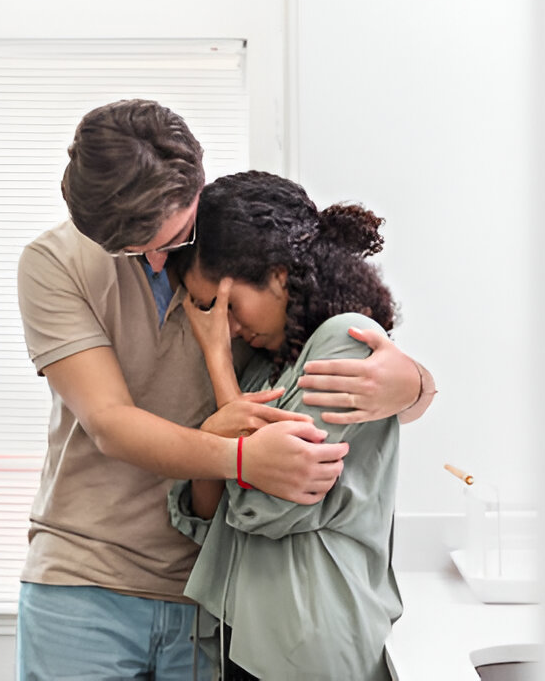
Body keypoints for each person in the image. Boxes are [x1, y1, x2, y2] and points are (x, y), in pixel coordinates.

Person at [15, 99, 434, 679]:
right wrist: (239, 456)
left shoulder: (236, 248)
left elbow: (339, 379)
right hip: (87, 580)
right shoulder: (54, 262)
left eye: (173, 238)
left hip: (208, 597)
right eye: (135, 251)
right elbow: (110, 422)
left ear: (197, 189)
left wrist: (414, 384)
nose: (159, 262)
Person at [168, 170, 422, 680]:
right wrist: (215, 441)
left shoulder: (345, 342)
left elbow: (266, 504)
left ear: (279, 275)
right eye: (211, 315)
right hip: (250, 636)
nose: (227, 328)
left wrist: (218, 366)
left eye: (229, 308)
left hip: (311, 642)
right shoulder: (271, 363)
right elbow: (207, 518)